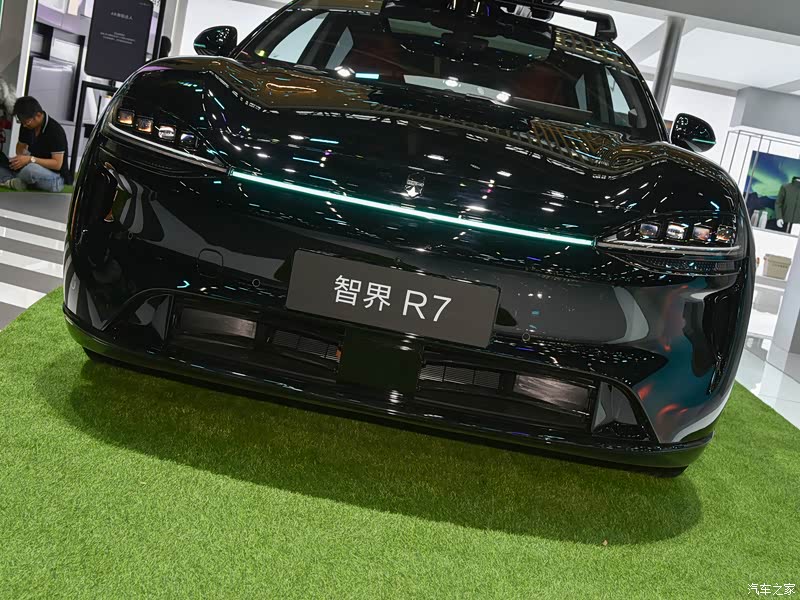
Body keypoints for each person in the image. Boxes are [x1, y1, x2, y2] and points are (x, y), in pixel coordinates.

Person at [0, 96, 69, 192]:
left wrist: (30, 159)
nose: (24, 125)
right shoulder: (26, 126)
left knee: (30, 170)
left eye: (27, 122)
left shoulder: (55, 131)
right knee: (4, 160)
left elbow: (57, 164)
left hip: (55, 178)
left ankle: (9, 180)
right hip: (29, 167)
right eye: (21, 122)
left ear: (38, 115)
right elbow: (20, 148)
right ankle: (14, 181)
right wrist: (20, 159)